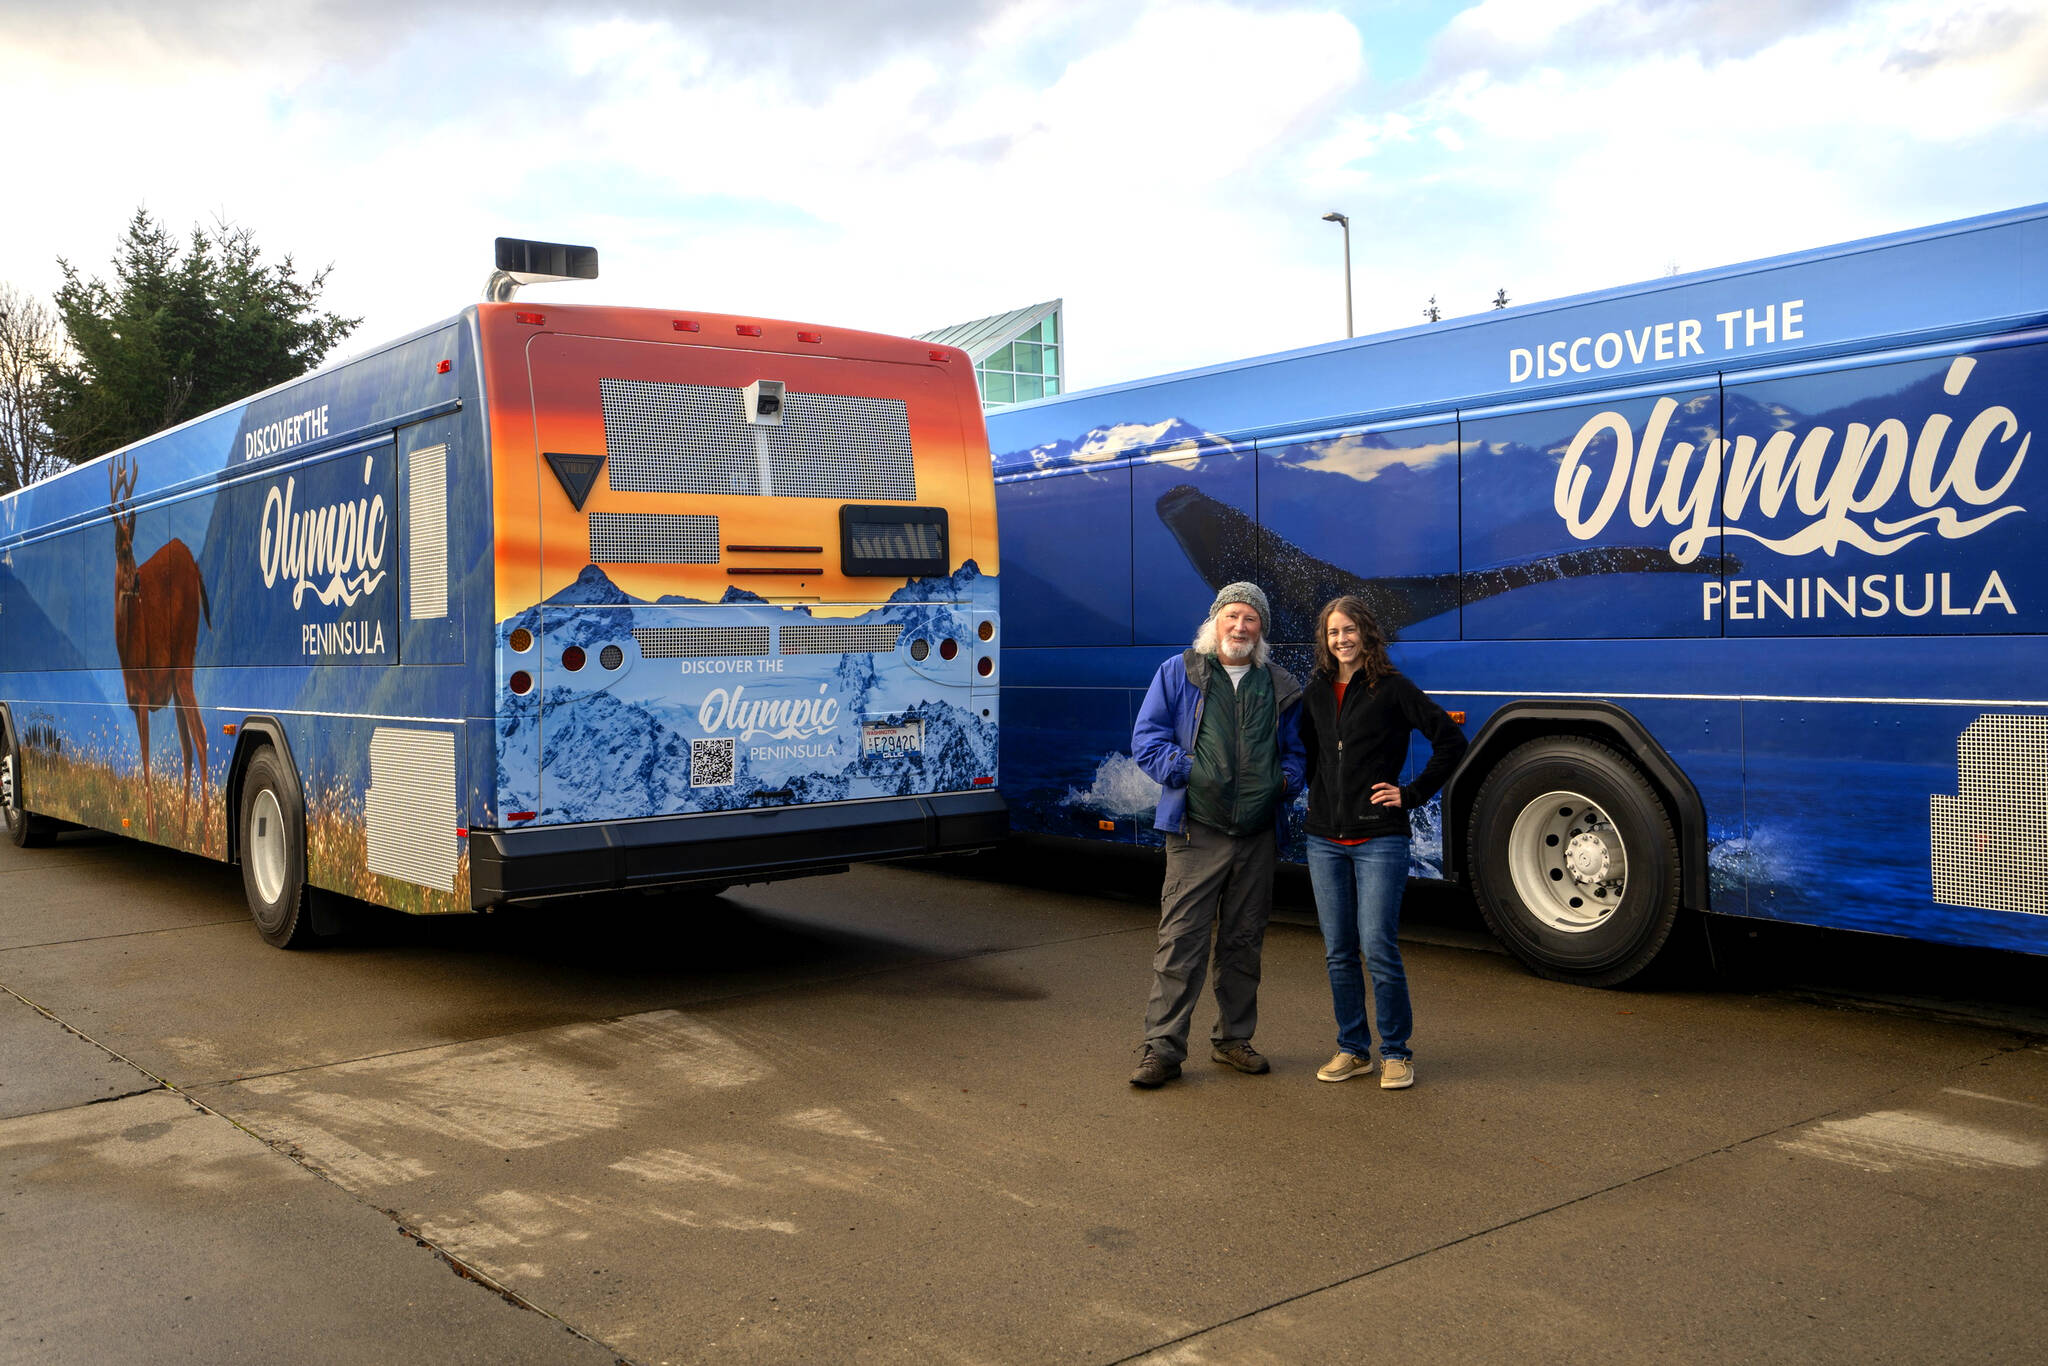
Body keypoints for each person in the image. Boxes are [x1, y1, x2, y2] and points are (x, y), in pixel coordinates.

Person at [1127, 582, 1305, 1088]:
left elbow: (1297, 754)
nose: (1240, 627)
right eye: (1233, 616)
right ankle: (1161, 1050)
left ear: (1261, 630)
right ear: (1215, 623)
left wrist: (1285, 782)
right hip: (1194, 832)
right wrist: (1190, 770)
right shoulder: (1179, 673)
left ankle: (1233, 1041)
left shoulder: (1279, 684)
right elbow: (1147, 740)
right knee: (1180, 942)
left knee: (1243, 943)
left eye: (1251, 619)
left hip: (1256, 835)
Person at [1298, 595, 1467, 1090]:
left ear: (1366, 634)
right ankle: (1353, 1049)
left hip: (1379, 838)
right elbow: (1309, 754)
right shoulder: (1316, 691)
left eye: (1349, 630)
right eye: (1332, 633)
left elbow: (1450, 742)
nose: (1341, 640)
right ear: (1324, 641)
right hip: (1324, 839)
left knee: (1377, 945)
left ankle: (1395, 1052)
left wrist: (1410, 794)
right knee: (1338, 950)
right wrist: (1317, 796)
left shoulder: (1392, 689)